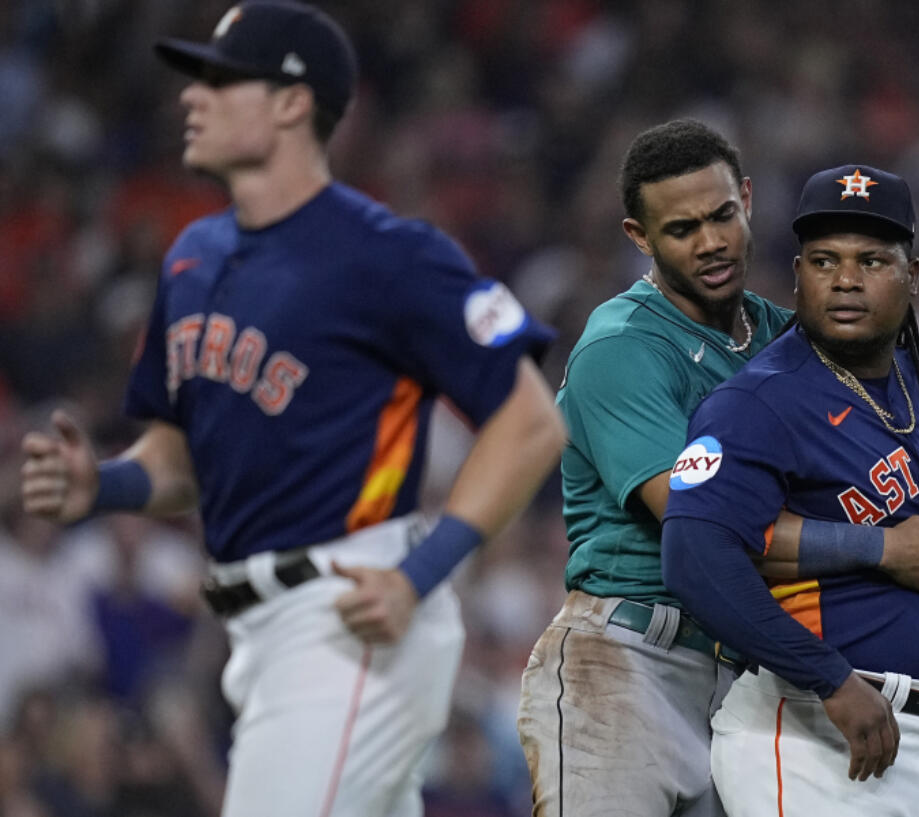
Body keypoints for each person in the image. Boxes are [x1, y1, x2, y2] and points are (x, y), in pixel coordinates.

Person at [18, 4, 567, 817]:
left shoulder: (386, 254)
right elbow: (178, 460)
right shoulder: (191, 261)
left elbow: (531, 422)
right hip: (260, 633)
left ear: (290, 104)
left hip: (351, 614)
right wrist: (101, 485)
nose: (191, 97)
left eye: (220, 79)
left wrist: (421, 574)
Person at [516, 121, 919, 816]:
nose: (710, 242)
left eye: (720, 216)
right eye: (681, 229)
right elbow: (706, 530)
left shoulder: (782, 333)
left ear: (746, 200)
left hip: (754, 666)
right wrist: (887, 547)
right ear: (638, 236)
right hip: (631, 658)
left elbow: (876, 480)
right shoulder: (623, 348)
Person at [660, 164, 919, 816]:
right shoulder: (758, 400)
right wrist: (830, 678)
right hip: (822, 738)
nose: (844, 279)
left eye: (871, 260)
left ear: (913, 275)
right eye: (823, 260)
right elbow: (692, 557)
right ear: (797, 273)